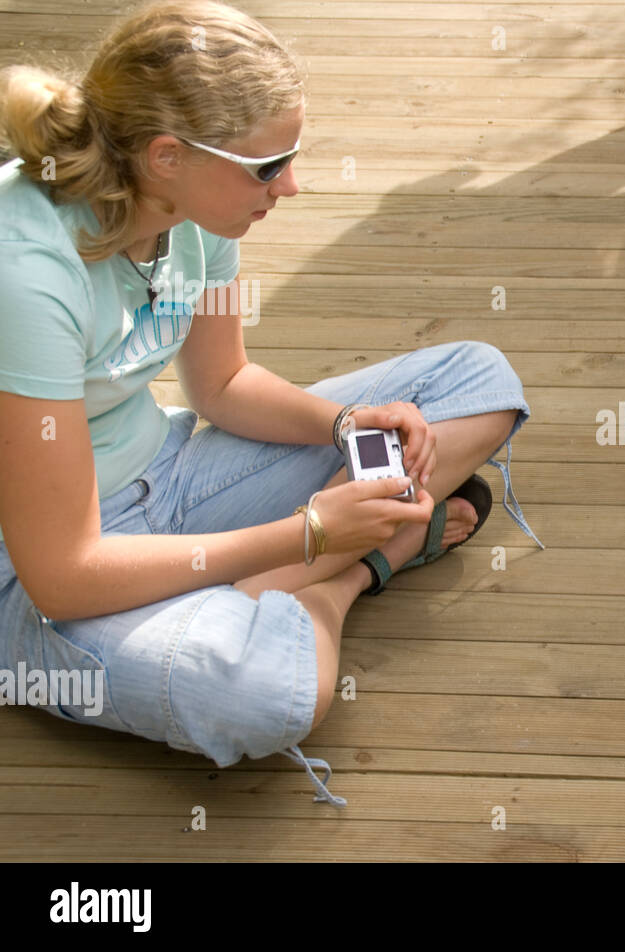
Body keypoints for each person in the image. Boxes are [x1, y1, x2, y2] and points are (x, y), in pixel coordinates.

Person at [0, 0, 542, 806]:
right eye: (267, 166)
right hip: (37, 576)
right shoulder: (27, 273)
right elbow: (64, 576)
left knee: (477, 382)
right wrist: (316, 535)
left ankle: (264, 589)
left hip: (168, 472)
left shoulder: (192, 209)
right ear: (166, 155)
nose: (290, 185)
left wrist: (342, 424)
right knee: (264, 692)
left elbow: (220, 385)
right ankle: (354, 574)